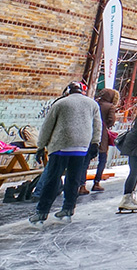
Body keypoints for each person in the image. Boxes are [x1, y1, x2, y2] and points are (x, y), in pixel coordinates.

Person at [28, 82, 101, 227]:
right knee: (73, 180)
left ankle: (42, 212)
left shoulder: (61, 103)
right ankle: (68, 209)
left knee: (52, 179)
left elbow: (47, 126)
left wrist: (41, 146)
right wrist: (95, 143)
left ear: (67, 91)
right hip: (81, 147)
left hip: (61, 146)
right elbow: (98, 125)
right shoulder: (92, 104)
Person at [91, 88, 120, 192]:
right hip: (102, 135)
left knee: (86, 160)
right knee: (102, 158)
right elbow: (111, 121)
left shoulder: (94, 104)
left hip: (90, 132)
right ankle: (96, 182)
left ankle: (81, 185)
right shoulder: (110, 107)